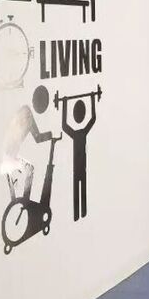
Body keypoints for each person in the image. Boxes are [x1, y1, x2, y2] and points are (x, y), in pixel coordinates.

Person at [1, 85, 56, 200]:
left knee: (28, 169)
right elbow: (37, 137)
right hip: (8, 157)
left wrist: (50, 135)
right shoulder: (25, 113)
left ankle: (20, 199)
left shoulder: (27, 115)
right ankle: (20, 199)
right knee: (28, 170)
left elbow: (38, 137)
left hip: (10, 156)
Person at [58, 86, 101, 220]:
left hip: (80, 168)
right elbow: (92, 119)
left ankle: (80, 214)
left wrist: (65, 103)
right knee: (79, 189)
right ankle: (79, 214)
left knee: (79, 189)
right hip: (79, 168)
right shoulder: (81, 133)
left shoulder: (78, 134)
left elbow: (65, 125)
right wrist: (92, 99)